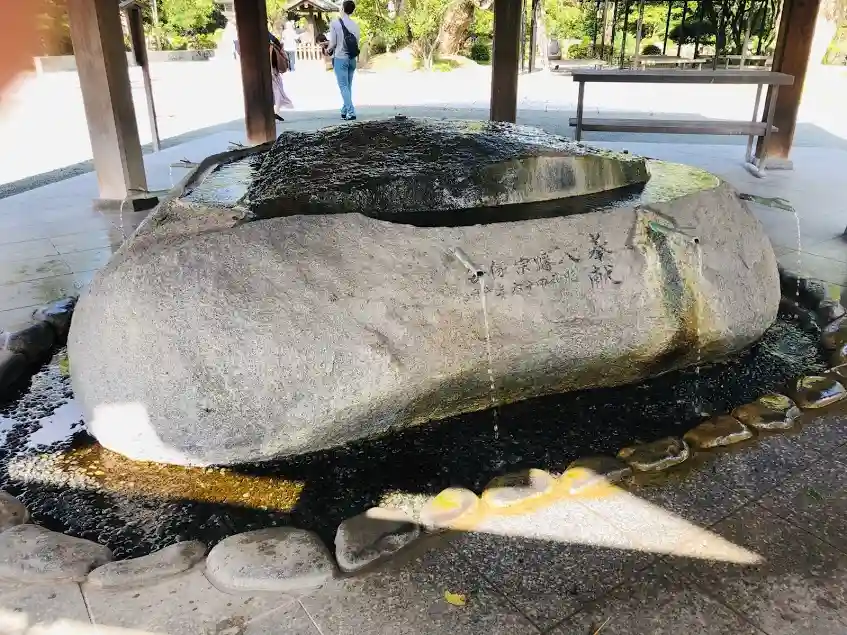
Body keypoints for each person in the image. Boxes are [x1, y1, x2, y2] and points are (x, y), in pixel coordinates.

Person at [324, 1, 360, 121]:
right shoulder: (355, 25)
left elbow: (333, 43)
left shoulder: (335, 23)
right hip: (352, 59)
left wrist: (327, 50)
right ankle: (344, 110)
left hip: (340, 58)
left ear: (343, 9)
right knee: (348, 86)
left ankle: (351, 111)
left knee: (343, 86)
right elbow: (356, 43)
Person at [269, 30, 293, 122]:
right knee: (276, 88)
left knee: (275, 88)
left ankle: (275, 109)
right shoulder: (267, 35)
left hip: (269, 64)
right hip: (272, 65)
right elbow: (276, 41)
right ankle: (276, 109)